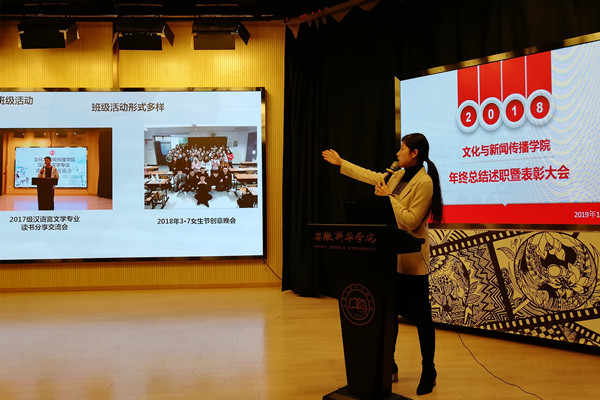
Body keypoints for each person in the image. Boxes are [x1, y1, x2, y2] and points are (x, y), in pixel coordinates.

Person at [322, 133, 443, 396]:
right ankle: (391, 364)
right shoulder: (397, 175)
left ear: (414, 154)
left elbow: (411, 221)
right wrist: (342, 163)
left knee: (422, 319)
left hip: (413, 261)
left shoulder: (425, 183)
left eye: (402, 149)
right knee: (390, 315)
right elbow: (372, 177)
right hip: (390, 257)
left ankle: (429, 370)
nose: (397, 153)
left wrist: (389, 198)